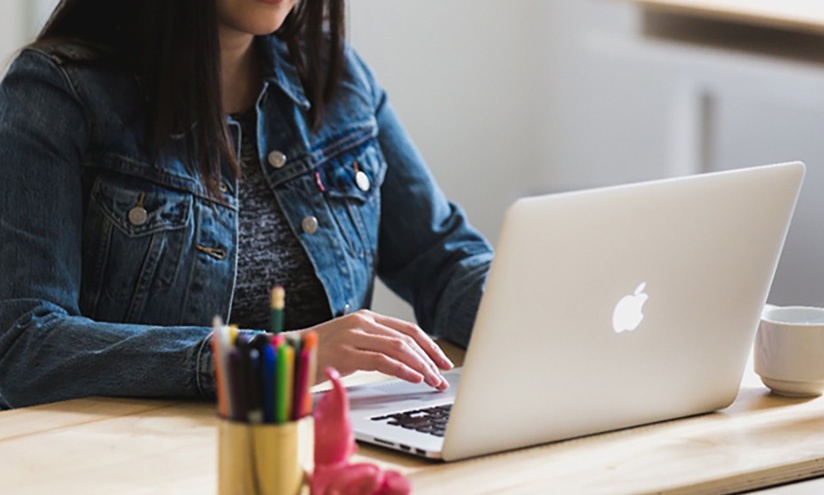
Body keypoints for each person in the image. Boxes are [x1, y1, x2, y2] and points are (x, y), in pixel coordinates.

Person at [0, 0, 492, 410]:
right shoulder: (56, 93)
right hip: (134, 460)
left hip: (320, 445)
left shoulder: (335, 75)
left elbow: (442, 259)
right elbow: (24, 344)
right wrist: (276, 359)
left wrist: (546, 312)